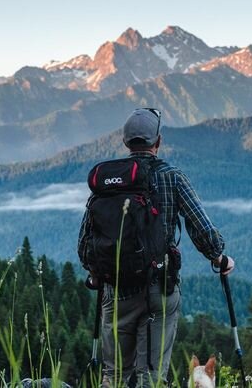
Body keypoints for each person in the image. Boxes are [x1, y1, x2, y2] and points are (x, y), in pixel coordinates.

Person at [77, 107, 235, 387]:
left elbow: (84, 242)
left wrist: (95, 274)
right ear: (158, 142)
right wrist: (219, 257)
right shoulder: (172, 176)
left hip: (115, 291)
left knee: (113, 375)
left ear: (126, 143)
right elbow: (201, 227)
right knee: (151, 376)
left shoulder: (107, 181)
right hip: (158, 289)